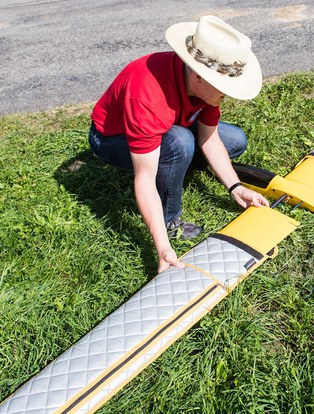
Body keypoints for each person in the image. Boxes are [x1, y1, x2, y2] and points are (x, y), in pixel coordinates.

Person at [88, 15, 269, 273]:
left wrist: (236, 187)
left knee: (235, 140)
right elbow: (144, 178)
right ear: (198, 76)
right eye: (222, 87)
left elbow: (210, 137)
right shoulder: (148, 97)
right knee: (178, 144)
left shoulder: (205, 89)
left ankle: (176, 163)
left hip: (169, 123)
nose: (227, 94)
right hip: (109, 139)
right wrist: (162, 248)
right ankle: (170, 219)